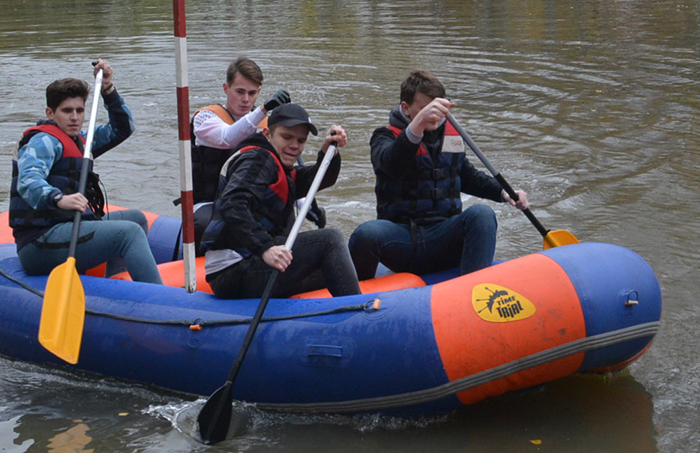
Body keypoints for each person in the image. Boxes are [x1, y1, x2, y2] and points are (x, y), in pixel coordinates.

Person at [348, 70, 529, 280]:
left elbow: (467, 176)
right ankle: (355, 294)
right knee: (366, 233)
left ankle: (474, 289)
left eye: (435, 109)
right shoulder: (384, 137)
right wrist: (418, 125)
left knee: (482, 214)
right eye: (424, 109)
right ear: (405, 108)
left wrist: (504, 193)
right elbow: (390, 165)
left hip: (444, 237)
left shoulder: (452, 135)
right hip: (403, 241)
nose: (432, 116)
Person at [9, 60, 163, 285]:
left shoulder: (83, 140)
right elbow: (28, 180)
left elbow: (123, 128)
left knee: (136, 219)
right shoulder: (43, 142)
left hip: (68, 227)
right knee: (129, 232)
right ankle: (156, 297)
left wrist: (108, 90)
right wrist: (59, 198)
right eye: (67, 111)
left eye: (79, 110)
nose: (75, 117)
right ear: (50, 113)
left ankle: (116, 286)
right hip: (39, 242)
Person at [199, 103, 361, 300]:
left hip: (249, 262)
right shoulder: (257, 159)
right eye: (286, 137)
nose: (294, 146)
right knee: (330, 240)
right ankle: (357, 309)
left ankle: (354, 303)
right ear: (268, 134)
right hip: (234, 270)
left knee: (335, 266)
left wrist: (329, 152)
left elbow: (319, 178)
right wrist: (265, 247)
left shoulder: (279, 166)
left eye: (301, 140)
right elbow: (232, 205)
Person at [186, 58, 292, 243]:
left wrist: (305, 203)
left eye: (252, 93)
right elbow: (228, 138)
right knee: (210, 225)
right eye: (240, 92)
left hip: (249, 201)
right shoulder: (205, 118)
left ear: (259, 92)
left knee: (286, 215)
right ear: (226, 88)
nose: (246, 100)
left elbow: (288, 168)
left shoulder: (266, 125)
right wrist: (264, 109)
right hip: (209, 202)